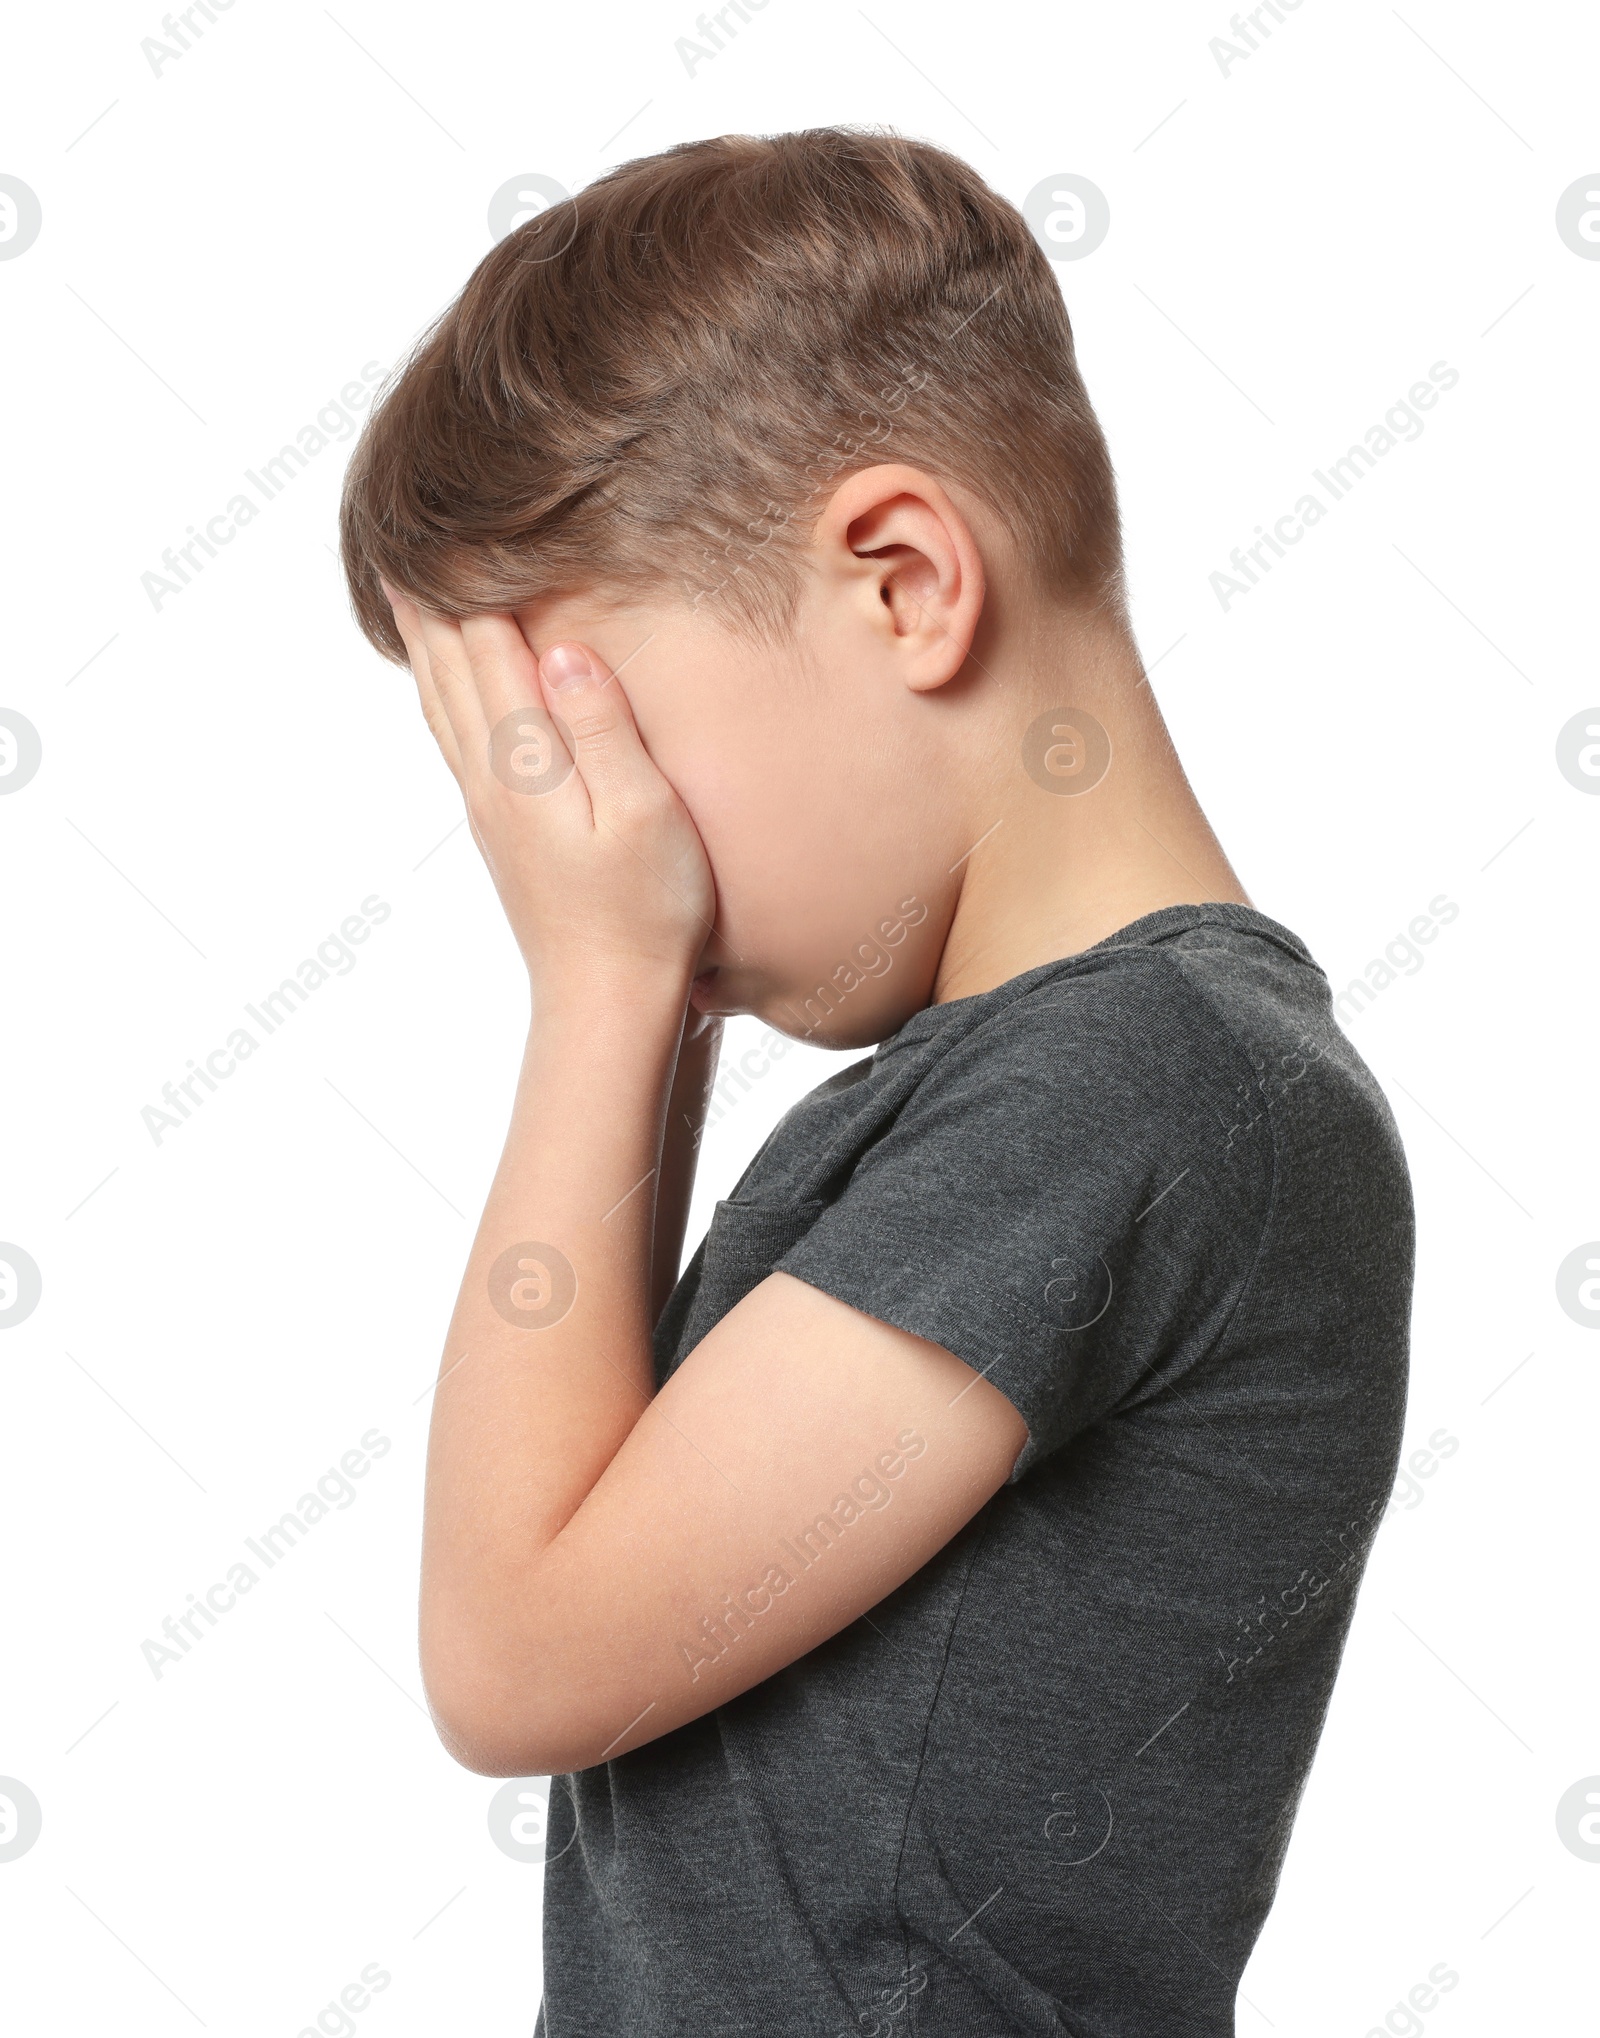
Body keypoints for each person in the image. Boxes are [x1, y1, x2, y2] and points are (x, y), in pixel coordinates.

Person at [338, 127, 1413, 2038]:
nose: (589, 838)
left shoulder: (1145, 1085)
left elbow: (516, 1649)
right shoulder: (1053, 1086)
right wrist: (643, 994)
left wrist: (606, 979)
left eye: (601, 738)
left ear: (906, 582)